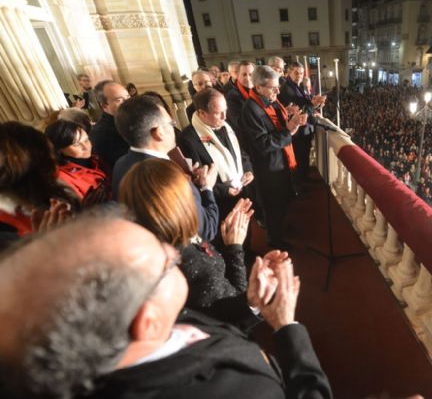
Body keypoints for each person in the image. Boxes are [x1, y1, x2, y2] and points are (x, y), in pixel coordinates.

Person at [0, 210, 332, 399]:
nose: (175, 253)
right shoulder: (243, 393)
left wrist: (252, 306)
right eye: (164, 261)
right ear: (147, 322)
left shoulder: (123, 323)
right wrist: (286, 326)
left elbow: (199, 326)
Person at [119, 159, 251, 309]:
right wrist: (235, 247)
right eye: (189, 191)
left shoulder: (157, 243)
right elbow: (237, 308)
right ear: (179, 203)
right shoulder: (192, 262)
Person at [112, 95, 220, 242]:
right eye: (171, 123)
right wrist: (207, 187)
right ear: (159, 132)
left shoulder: (120, 164)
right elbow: (207, 229)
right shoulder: (163, 176)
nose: (173, 129)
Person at [240, 66, 307, 249]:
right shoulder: (251, 109)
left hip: (281, 161)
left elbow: (278, 125)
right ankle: (275, 240)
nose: (278, 91)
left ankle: (281, 229)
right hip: (268, 169)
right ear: (259, 87)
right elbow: (262, 143)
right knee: (273, 206)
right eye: (273, 87)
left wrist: (291, 120)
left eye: (277, 86)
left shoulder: (272, 101)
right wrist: (290, 131)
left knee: (283, 200)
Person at [177, 88, 254, 221]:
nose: (225, 116)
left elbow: (240, 153)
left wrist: (248, 170)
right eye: (219, 113)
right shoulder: (188, 138)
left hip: (240, 190)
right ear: (201, 113)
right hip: (218, 203)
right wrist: (224, 190)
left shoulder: (225, 126)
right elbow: (194, 178)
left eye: (226, 110)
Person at [0, 122, 73, 249]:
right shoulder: (5, 229)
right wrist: (46, 244)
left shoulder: (48, 194)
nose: (54, 165)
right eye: (48, 157)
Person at [278, 62, 325, 186]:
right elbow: (297, 110)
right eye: (296, 72)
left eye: (302, 73)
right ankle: (300, 184)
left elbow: (304, 103)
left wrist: (314, 103)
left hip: (304, 130)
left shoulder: (298, 86)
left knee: (304, 157)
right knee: (299, 158)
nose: (299, 75)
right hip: (297, 132)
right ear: (289, 73)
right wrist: (313, 105)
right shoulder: (287, 89)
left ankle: (304, 178)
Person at [44, 120, 110, 203]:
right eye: (77, 144)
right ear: (59, 149)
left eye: (86, 140)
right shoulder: (63, 178)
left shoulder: (95, 159)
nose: (86, 147)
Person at [89, 80, 131, 171]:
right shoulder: (102, 133)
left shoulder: (129, 119)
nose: (128, 102)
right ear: (104, 106)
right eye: (119, 100)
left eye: (128, 97)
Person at [225, 60, 254, 134]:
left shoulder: (260, 90)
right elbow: (239, 123)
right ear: (237, 75)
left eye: (251, 74)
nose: (248, 78)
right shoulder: (232, 96)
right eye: (244, 74)